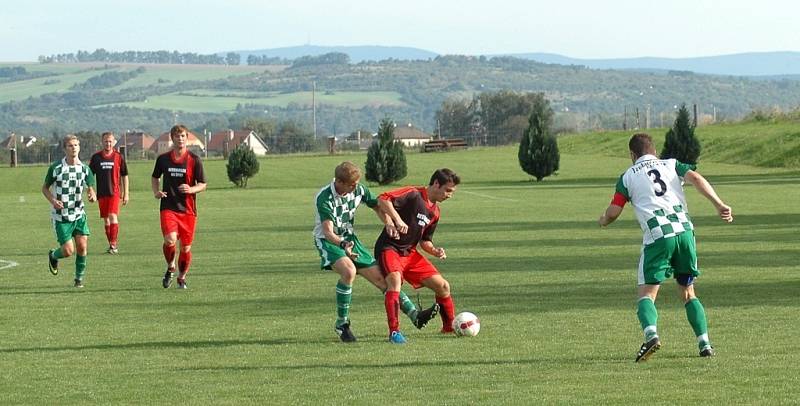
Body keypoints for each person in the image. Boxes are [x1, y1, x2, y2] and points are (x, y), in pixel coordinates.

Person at [598, 133, 733, 362]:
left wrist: (602, 220)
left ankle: (651, 335)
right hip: (685, 233)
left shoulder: (628, 177)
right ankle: (705, 343)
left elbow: (614, 211)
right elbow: (697, 179)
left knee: (646, 295)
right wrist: (719, 204)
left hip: (658, 236)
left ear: (632, 154)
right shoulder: (672, 164)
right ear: (654, 150)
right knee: (689, 293)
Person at [314, 162, 439, 343]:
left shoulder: (358, 190)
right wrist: (343, 245)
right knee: (349, 271)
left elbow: (377, 205)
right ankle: (342, 324)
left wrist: (388, 222)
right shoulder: (325, 197)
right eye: (352, 185)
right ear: (340, 182)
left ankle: (415, 315)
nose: (356, 187)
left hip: (350, 239)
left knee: (383, 280)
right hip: (330, 242)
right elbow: (328, 231)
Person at [375, 168, 461, 344]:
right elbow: (383, 198)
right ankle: (394, 332)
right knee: (394, 282)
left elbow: (425, 241)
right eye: (448, 190)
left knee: (443, 286)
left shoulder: (435, 212)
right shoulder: (413, 194)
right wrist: (396, 220)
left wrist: (435, 250)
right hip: (390, 248)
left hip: (410, 253)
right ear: (436, 183)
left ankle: (449, 327)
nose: (449, 195)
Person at [151, 124, 207, 289]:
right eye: (177, 136)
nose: (180, 139)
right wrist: (156, 192)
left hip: (188, 210)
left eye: (183, 136)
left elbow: (203, 184)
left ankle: (181, 278)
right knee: (170, 240)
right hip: (168, 207)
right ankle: (170, 266)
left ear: (187, 138)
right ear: (172, 138)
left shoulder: (194, 160)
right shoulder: (163, 159)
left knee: (186, 247)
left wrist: (191, 189)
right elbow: (155, 177)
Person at [42, 134, 97, 288]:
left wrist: (92, 194)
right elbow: (45, 188)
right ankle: (53, 255)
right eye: (70, 145)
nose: (74, 148)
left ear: (79, 147)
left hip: (79, 214)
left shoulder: (85, 169)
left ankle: (78, 279)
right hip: (61, 217)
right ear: (64, 148)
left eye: (76, 145)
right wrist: (53, 200)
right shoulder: (56, 168)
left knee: (82, 246)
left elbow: (91, 187)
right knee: (67, 251)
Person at [89, 132, 129, 254]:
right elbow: (89, 176)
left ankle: (113, 243)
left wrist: (126, 193)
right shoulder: (96, 157)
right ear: (102, 142)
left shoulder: (119, 157)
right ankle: (111, 245)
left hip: (114, 193)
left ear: (114, 142)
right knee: (106, 220)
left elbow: (124, 175)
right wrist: (90, 190)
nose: (108, 143)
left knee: (112, 215)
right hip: (102, 193)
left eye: (110, 141)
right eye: (106, 141)